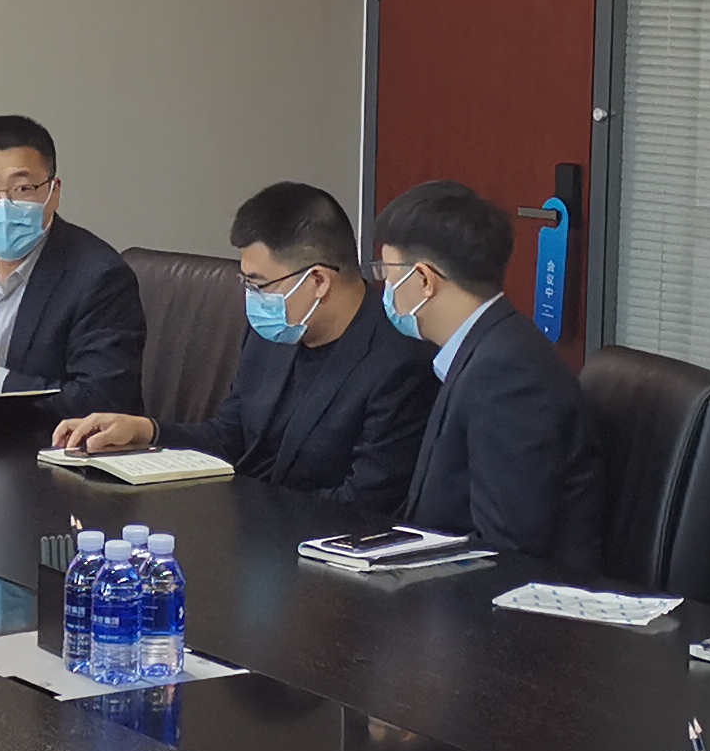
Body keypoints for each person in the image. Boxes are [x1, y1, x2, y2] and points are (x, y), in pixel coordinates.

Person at [52, 182, 432, 509]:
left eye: (259, 284)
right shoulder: (278, 330)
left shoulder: (400, 362)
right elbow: (229, 437)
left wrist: (248, 515)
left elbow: (364, 503)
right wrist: (145, 431)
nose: (252, 297)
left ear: (318, 281)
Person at [373, 178, 606, 571]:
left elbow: (505, 548)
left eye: (388, 272)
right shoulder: (486, 346)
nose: (385, 285)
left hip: (513, 598)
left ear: (424, 280)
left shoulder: (508, 375)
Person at [0, 114, 145, 415]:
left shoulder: (100, 277)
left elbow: (102, 401)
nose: (3, 205)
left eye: (23, 189)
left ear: (54, 192)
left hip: (52, 442)